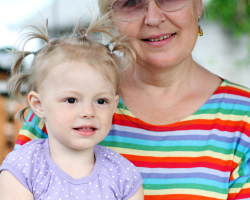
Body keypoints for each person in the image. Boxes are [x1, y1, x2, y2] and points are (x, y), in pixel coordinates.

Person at [9, 0, 250, 199]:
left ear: (198, 5)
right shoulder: (58, 103)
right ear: (111, 17)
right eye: (131, 2)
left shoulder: (243, 117)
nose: (153, 18)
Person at [0, 13, 144, 200]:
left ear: (114, 105)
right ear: (38, 105)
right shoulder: (23, 167)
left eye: (101, 101)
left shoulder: (124, 175)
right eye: (71, 100)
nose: (88, 112)